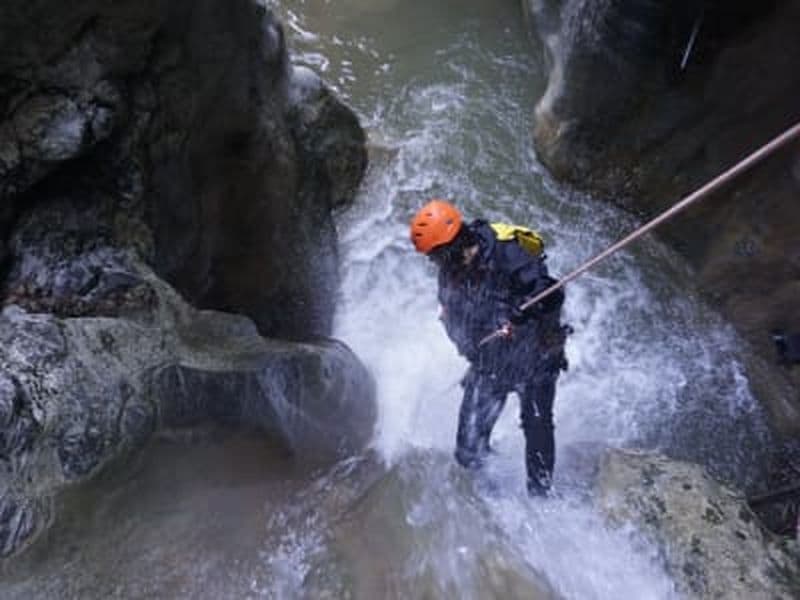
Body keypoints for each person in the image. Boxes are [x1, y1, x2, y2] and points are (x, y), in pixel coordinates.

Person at [410, 199, 569, 496]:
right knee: (467, 448)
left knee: (536, 424)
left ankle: (541, 495)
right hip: (492, 362)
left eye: (436, 255)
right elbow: (453, 319)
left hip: (536, 354)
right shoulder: (450, 273)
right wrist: (472, 349)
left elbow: (553, 293)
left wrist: (526, 309)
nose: (434, 262)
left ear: (453, 244)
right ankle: (488, 494)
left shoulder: (507, 252)